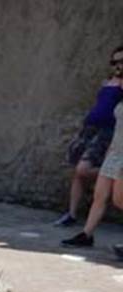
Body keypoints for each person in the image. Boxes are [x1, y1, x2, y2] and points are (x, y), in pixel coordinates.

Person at [54, 47, 123, 228]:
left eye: (121, 61)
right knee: (76, 172)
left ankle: (112, 175)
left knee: (82, 169)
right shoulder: (107, 82)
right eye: (114, 62)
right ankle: (72, 213)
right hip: (90, 127)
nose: (118, 65)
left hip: (107, 131)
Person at [62, 99, 123, 253]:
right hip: (114, 153)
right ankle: (86, 235)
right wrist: (109, 152)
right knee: (99, 195)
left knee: (119, 199)